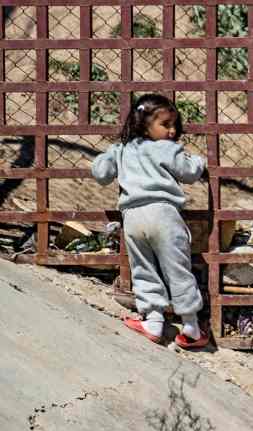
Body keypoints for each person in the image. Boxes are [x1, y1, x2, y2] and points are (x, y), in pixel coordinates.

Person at [92, 93, 209, 348]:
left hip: (132, 218)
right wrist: (200, 161)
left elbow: (100, 173)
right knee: (177, 268)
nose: (172, 130)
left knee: (143, 268)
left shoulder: (121, 150)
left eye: (173, 124)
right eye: (165, 124)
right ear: (144, 124)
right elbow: (189, 173)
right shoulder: (168, 149)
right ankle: (191, 327)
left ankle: (152, 321)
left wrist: (112, 154)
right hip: (163, 214)